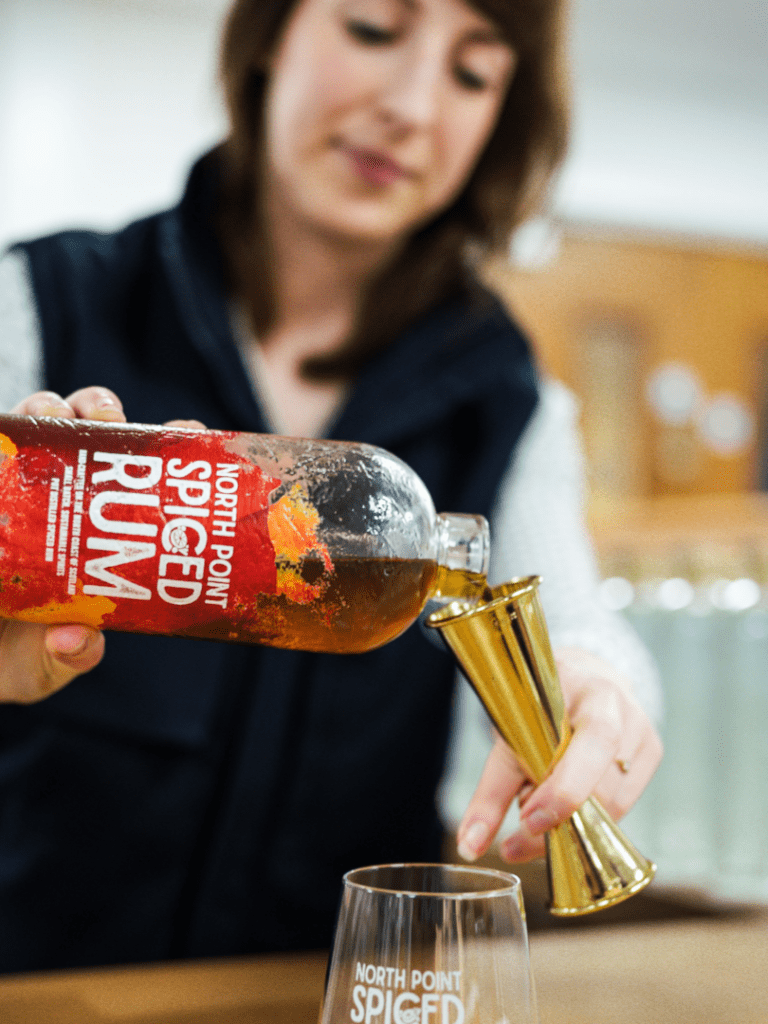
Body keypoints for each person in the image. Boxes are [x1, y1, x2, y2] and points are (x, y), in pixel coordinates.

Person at [0, 0, 662, 972]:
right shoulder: (43, 301)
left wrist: (596, 689)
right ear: (268, 34)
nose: (412, 107)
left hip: (329, 988)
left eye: (472, 74)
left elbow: (571, 623)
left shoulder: (506, 397)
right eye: (371, 29)